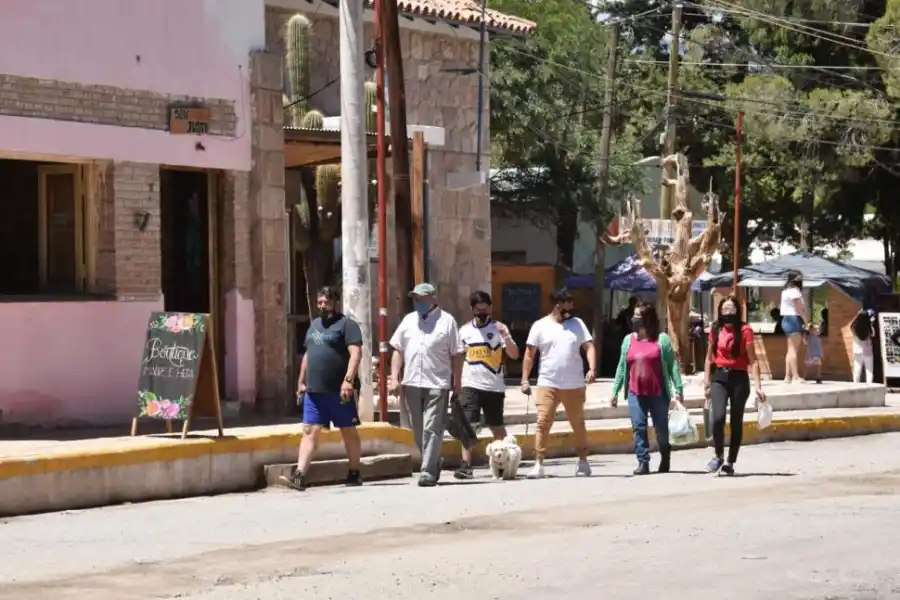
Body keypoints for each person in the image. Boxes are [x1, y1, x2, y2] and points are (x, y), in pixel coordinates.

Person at [280, 286, 363, 491]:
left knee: (348, 431)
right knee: (309, 430)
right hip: (314, 391)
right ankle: (300, 475)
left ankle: (354, 471)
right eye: (320, 302)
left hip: (339, 391)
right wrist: (301, 381)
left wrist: (348, 380)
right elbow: (308, 355)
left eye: (326, 302)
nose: (323, 306)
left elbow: (356, 354)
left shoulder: (347, 325)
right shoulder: (314, 325)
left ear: (335, 302)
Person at [388, 283, 462, 487]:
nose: (417, 302)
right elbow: (398, 350)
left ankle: (427, 471)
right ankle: (434, 460)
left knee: (432, 427)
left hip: (437, 383)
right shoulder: (408, 320)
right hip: (411, 382)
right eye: (415, 298)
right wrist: (394, 378)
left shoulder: (447, 321)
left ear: (433, 298)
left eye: (421, 298)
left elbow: (457, 354)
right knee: (417, 429)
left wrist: (457, 383)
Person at [520, 288, 596, 479]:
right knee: (542, 422)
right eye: (567, 306)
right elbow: (529, 354)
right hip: (547, 382)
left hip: (574, 384)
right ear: (557, 306)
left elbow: (589, 346)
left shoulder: (578, 324)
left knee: (578, 423)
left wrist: (592, 368)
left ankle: (583, 461)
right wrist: (524, 379)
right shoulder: (540, 326)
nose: (571, 310)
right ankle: (538, 463)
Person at [610, 301, 684, 475]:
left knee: (661, 429)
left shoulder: (662, 339)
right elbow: (621, 367)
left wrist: (678, 389)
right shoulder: (628, 340)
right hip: (635, 392)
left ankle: (665, 454)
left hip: (658, 393)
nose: (634, 319)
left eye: (638, 316)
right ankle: (643, 461)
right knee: (638, 427)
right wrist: (615, 391)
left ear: (647, 319)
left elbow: (672, 366)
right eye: (634, 315)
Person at [453, 291, 519, 479]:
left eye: (485, 309)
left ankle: (505, 462)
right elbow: (458, 358)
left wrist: (505, 336)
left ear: (490, 308)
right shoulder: (464, 331)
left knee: (496, 426)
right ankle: (466, 465)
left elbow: (514, 354)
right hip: (470, 384)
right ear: (472, 309)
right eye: (478, 309)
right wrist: (456, 384)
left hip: (494, 387)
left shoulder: (499, 328)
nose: (482, 313)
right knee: (469, 425)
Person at [704, 295, 767, 476]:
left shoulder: (745, 330)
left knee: (736, 420)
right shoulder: (715, 329)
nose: (728, 312)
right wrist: (707, 382)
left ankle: (730, 461)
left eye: (731, 308)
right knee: (718, 418)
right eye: (724, 309)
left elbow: (753, 360)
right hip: (719, 376)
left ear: (737, 311)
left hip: (739, 377)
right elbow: (709, 358)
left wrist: (758, 386)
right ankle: (718, 455)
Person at [779, 271, 806, 383]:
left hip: (785, 319)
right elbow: (799, 308)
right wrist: (806, 322)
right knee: (794, 349)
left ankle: (788, 376)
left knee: (790, 349)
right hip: (794, 319)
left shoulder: (785, 291)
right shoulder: (795, 291)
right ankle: (795, 376)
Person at [851, 309, 875, 383]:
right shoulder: (869, 327)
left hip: (857, 350)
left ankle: (856, 385)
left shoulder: (854, 327)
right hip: (867, 351)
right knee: (869, 370)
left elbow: (851, 324)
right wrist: (871, 323)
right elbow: (873, 334)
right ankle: (869, 385)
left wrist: (857, 315)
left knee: (857, 369)